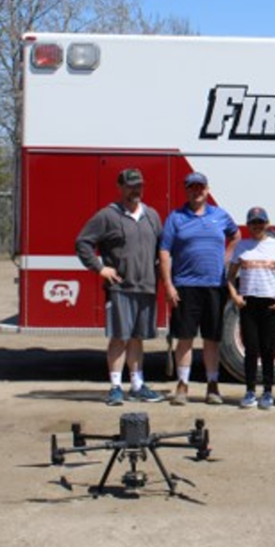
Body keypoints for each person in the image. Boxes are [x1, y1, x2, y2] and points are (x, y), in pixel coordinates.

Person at [75, 167, 166, 406]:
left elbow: (162, 250)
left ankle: (137, 385)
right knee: (119, 337)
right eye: (130, 186)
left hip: (146, 287)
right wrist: (100, 268)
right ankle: (115, 387)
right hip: (120, 288)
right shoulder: (108, 215)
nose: (135, 190)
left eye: (139, 186)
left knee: (137, 338)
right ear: (121, 188)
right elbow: (83, 243)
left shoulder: (152, 216)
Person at [160, 172, 240, 406]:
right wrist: (168, 284)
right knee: (185, 338)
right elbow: (164, 251)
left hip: (214, 286)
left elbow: (236, 236)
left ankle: (212, 386)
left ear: (207, 190)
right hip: (185, 286)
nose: (197, 192)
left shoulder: (220, 215)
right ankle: (183, 385)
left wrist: (226, 259)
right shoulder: (176, 217)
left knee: (212, 340)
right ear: (186, 190)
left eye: (201, 187)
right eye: (192, 188)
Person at [227, 206, 275, 411]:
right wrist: (235, 296)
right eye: (253, 223)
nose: (257, 226)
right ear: (248, 225)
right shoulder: (242, 246)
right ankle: (249, 392)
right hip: (249, 303)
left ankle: (267, 392)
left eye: (260, 222)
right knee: (251, 350)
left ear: (267, 224)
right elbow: (230, 276)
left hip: (270, 304)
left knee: (267, 349)